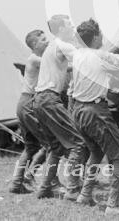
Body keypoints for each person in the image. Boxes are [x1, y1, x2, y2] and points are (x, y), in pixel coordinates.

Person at [65, 18, 119, 216]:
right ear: (95, 37)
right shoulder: (101, 56)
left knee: (96, 152)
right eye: (101, 34)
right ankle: (112, 206)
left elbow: (105, 49)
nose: (103, 37)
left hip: (77, 111)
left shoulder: (78, 54)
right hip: (95, 111)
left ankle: (85, 194)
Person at [32, 15, 86, 201]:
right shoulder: (64, 44)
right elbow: (86, 59)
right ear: (61, 28)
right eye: (70, 24)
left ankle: (45, 188)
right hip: (50, 99)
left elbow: (66, 67)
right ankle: (72, 189)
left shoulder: (52, 47)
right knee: (78, 143)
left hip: (39, 100)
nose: (73, 26)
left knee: (55, 148)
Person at [9, 29, 50, 194]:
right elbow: (57, 66)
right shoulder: (35, 59)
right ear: (34, 44)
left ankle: (16, 183)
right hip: (30, 103)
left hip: (24, 103)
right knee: (50, 144)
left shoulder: (35, 59)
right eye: (43, 39)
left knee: (31, 147)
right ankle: (30, 174)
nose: (47, 41)